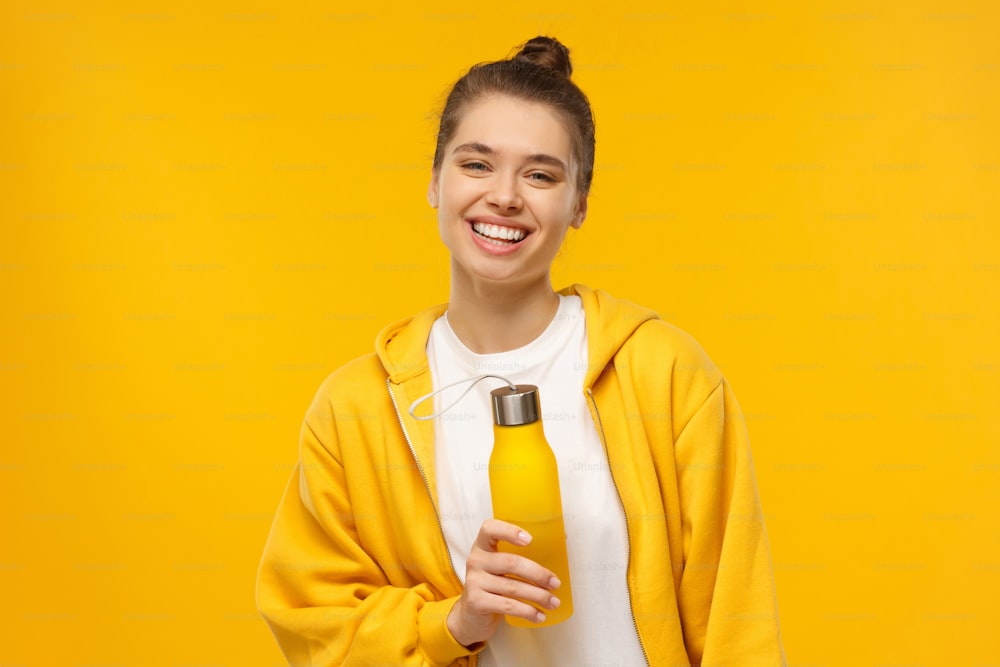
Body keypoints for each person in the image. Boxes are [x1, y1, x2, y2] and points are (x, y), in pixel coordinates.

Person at [256, 36, 787, 666]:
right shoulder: (356, 410)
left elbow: (736, 616)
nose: (504, 195)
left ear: (579, 204)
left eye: (540, 174)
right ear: (433, 181)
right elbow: (312, 621)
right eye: (476, 164)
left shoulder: (664, 374)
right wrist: (451, 621)